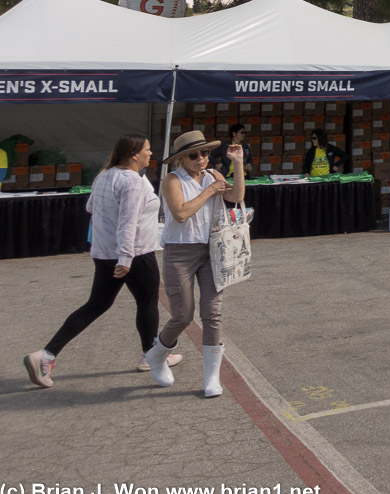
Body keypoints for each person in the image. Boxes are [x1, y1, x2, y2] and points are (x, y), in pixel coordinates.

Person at [24, 134, 181, 389]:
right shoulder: (133, 182)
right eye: (147, 150)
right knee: (146, 303)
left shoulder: (104, 176)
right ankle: (149, 354)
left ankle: (46, 355)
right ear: (133, 154)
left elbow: (90, 208)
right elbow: (128, 223)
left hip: (105, 253)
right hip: (135, 254)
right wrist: (126, 258)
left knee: (96, 305)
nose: (151, 154)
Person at [155, 128, 245, 396]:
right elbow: (181, 213)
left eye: (205, 153)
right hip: (179, 252)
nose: (201, 159)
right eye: (194, 155)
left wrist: (237, 165)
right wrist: (210, 191)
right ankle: (157, 354)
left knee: (212, 314)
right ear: (181, 159)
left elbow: (236, 197)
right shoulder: (171, 180)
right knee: (182, 315)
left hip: (210, 250)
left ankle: (211, 379)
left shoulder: (212, 175)